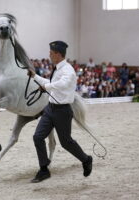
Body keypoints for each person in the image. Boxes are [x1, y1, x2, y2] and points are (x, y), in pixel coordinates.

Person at [27, 41, 92, 183]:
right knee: (38, 137)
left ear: (58, 54)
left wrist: (47, 86)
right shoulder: (57, 68)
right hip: (50, 109)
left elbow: (63, 84)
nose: (49, 55)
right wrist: (34, 76)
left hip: (63, 111)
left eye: (51, 53)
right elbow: (50, 82)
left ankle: (86, 159)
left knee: (66, 142)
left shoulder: (68, 70)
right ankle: (44, 170)